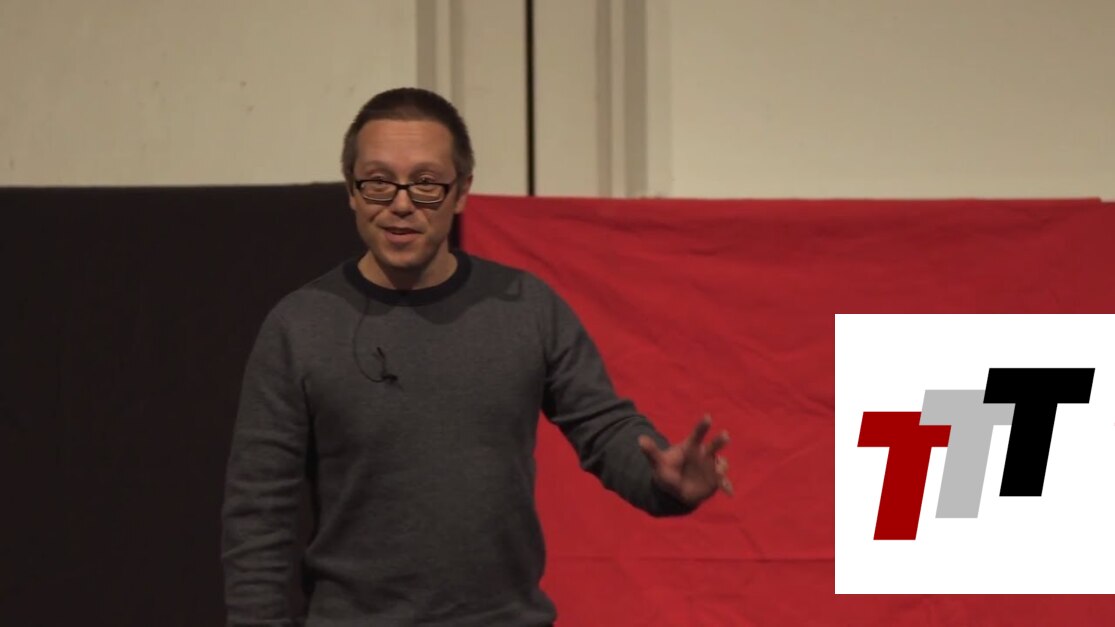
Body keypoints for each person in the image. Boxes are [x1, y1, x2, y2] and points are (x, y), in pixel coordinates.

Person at [221, 87, 732, 626]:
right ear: (351, 189)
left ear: (462, 191)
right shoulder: (299, 326)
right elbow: (258, 511)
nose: (400, 203)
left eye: (426, 183)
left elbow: (604, 426)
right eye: (378, 182)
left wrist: (663, 481)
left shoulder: (527, 308)